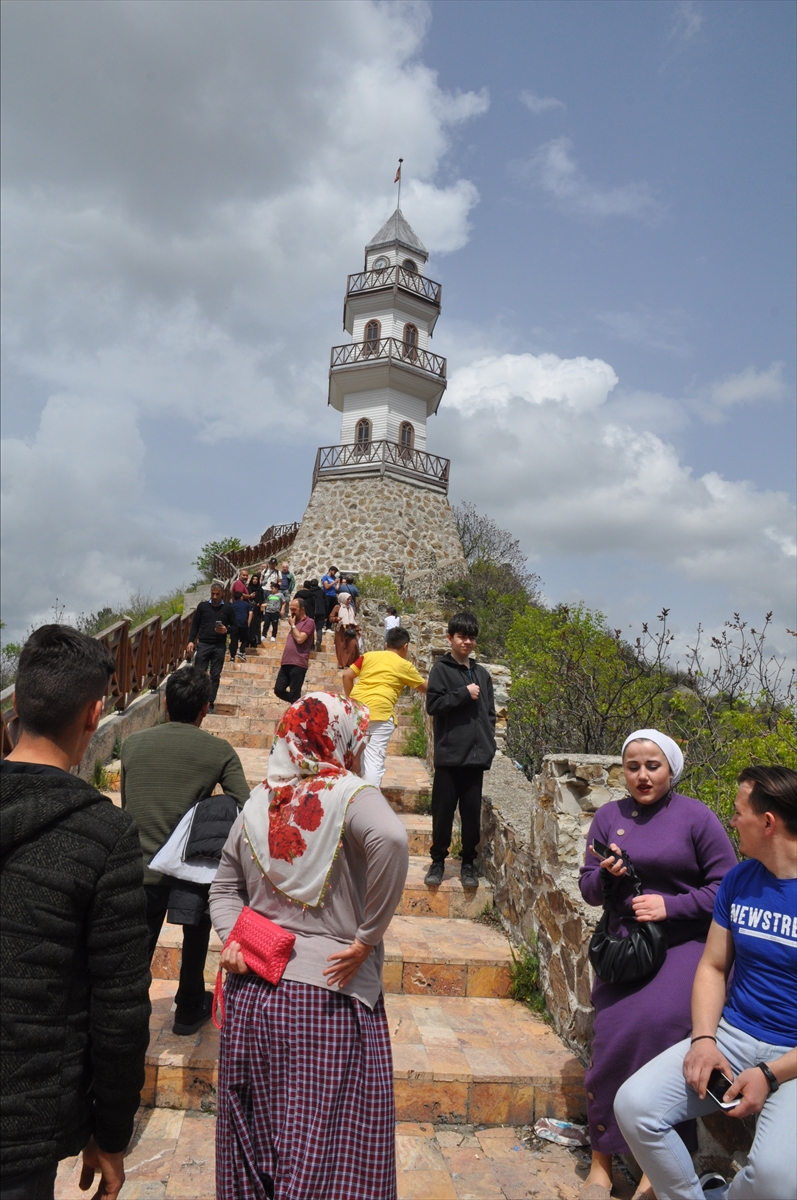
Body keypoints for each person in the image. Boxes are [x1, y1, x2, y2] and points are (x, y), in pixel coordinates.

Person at [209, 692, 409, 1200]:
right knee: (320, 1156)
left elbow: (223, 887)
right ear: (337, 738)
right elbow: (392, 839)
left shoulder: (259, 801)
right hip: (326, 1002)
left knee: (253, 1146)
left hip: (253, 995)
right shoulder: (350, 794)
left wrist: (236, 939)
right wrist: (367, 938)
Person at [1, 625, 151, 1200]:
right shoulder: (104, 835)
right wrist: (110, 1135)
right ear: (95, 715)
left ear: (16, 704)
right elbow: (119, 1013)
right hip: (23, 1125)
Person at [615, 766, 797, 1200]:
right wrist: (703, 1039)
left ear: (767, 822)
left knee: (777, 1180)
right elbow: (714, 967)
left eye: (738, 813)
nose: (731, 822)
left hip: (791, 1061)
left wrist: (771, 1074)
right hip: (733, 1037)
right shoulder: (739, 880)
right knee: (634, 1106)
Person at [576, 730, 738, 1200]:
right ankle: (601, 1163)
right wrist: (605, 878)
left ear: (671, 769)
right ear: (622, 771)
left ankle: (655, 1172)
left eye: (653, 766)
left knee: (665, 1029)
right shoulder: (609, 817)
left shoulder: (696, 818)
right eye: (633, 766)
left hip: (682, 946)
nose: (642, 776)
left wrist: (672, 906)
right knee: (610, 1040)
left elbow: (725, 886)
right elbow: (587, 887)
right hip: (625, 947)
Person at [121, 666, 249, 1036]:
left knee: (136, 945)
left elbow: (130, 805)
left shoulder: (132, 744)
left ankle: (125, 1015)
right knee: (197, 931)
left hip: (137, 867)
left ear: (164, 704)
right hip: (189, 873)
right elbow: (247, 806)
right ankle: (188, 1008)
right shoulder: (219, 751)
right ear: (205, 708)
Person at [424, 612, 496, 891]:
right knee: (442, 813)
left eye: (471, 637)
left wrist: (489, 743)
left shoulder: (482, 674)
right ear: (450, 638)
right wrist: (463, 694)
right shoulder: (441, 669)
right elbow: (434, 705)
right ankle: (438, 861)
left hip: (476, 758)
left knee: (471, 814)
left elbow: (489, 713)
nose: (467, 642)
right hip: (449, 755)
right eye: (462, 636)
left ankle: (468, 863)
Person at [343, 627, 427, 788]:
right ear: (406, 646)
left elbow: (346, 675)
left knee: (356, 758)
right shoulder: (405, 665)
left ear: (386, 643)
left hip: (356, 712)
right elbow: (424, 688)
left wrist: (350, 700)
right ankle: (369, 802)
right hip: (381, 714)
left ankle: (353, 797)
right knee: (374, 759)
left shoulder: (367, 656)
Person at [187, 582, 236, 711]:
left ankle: (210, 703)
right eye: (212, 594)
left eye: (217, 594)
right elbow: (195, 625)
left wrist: (226, 630)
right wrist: (191, 641)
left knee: (215, 675)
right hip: (203, 644)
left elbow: (236, 627)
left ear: (222, 594)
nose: (214, 596)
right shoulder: (202, 607)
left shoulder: (228, 608)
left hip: (219, 646)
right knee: (199, 674)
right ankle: (197, 702)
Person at [273, 597, 315, 704]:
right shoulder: (294, 623)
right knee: (279, 689)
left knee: (294, 693)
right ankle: (299, 704)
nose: (292, 612)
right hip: (286, 662)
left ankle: (297, 710)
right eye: (290, 609)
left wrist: (292, 625)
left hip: (298, 663)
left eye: (294, 609)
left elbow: (300, 639)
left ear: (302, 609)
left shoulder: (309, 622)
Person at [330, 591, 360, 670]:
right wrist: (336, 619)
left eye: (350, 599)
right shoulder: (338, 607)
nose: (349, 601)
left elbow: (353, 619)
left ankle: (350, 662)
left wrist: (358, 629)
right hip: (341, 630)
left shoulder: (351, 608)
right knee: (341, 646)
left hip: (350, 629)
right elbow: (331, 618)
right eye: (348, 599)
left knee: (353, 645)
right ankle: (341, 663)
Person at [229, 589, 252, 662]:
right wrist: (248, 622)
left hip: (234, 624)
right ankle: (241, 652)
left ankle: (232, 657)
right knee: (245, 638)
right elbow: (251, 613)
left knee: (234, 641)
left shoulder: (232, 605)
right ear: (241, 597)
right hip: (243, 623)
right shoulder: (246, 604)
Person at [248, 571, 265, 647]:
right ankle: (247, 640)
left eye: (256, 579)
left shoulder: (260, 589)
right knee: (249, 624)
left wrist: (259, 603)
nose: (254, 580)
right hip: (249, 609)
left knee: (256, 625)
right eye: (253, 579)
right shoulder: (248, 588)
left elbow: (262, 598)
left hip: (257, 610)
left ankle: (255, 641)